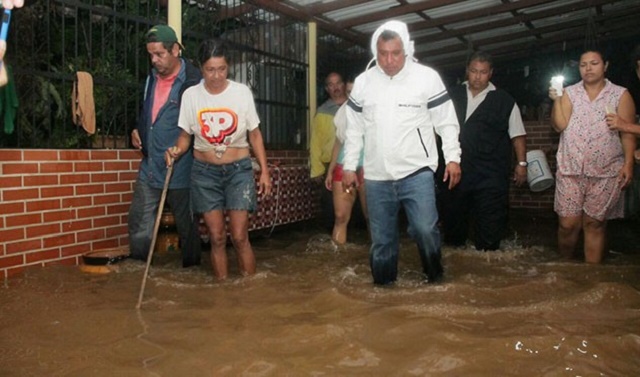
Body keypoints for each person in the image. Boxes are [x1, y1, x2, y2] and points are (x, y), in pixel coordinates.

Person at [342, 20, 461, 285]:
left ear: (406, 49)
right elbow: (353, 129)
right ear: (376, 52)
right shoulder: (364, 83)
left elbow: (446, 121)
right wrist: (350, 166)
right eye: (383, 53)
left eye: (395, 53)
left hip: (416, 171)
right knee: (382, 241)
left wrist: (453, 158)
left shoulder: (426, 77)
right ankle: (384, 293)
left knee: (424, 229)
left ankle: (435, 279)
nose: (389, 60)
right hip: (376, 175)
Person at [166, 38, 271, 280]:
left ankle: (251, 291)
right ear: (201, 68)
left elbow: (254, 134)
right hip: (204, 173)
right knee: (216, 237)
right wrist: (176, 151)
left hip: (239, 171)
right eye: (210, 70)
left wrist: (264, 171)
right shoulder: (191, 96)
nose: (216, 75)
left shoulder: (241, 93)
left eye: (221, 69)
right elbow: (185, 137)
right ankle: (222, 292)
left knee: (240, 236)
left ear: (228, 66)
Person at [549, 49, 636, 264]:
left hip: (607, 170)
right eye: (583, 64)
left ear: (605, 65)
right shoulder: (569, 92)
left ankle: (591, 275)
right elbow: (559, 125)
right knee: (568, 224)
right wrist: (557, 99)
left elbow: (627, 131)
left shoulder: (620, 94)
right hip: (571, 168)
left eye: (594, 63)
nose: (588, 68)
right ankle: (565, 263)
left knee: (594, 224)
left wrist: (628, 164)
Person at [128, 25, 202, 267]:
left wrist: (181, 150)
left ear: (175, 50)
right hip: (150, 166)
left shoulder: (193, 81)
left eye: (159, 54)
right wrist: (137, 128)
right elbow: (148, 112)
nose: (154, 60)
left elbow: (199, 126)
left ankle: (192, 274)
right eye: (150, 54)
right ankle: (138, 270)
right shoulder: (151, 78)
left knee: (187, 226)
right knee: (139, 222)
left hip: (181, 168)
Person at [439, 51, 528, 251]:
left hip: (490, 174)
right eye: (473, 71)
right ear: (467, 71)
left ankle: (487, 265)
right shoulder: (450, 96)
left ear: (491, 73)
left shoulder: (504, 100)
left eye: (483, 72)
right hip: (455, 173)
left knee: (490, 228)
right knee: (453, 228)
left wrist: (521, 164)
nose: (477, 76)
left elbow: (518, 135)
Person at [324, 78, 368, 245]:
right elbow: (338, 142)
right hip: (343, 165)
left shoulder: (375, 109)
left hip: (368, 166)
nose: (353, 95)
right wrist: (330, 170)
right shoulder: (343, 112)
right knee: (340, 217)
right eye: (349, 92)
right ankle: (337, 265)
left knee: (372, 218)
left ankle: (377, 262)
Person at [310, 72, 348, 229]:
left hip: (355, 163)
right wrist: (317, 169)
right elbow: (316, 142)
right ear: (326, 88)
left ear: (344, 85)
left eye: (338, 83)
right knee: (330, 210)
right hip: (329, 167)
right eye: (331, 85)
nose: (335, 87)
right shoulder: (322, 111)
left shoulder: (355, 106)